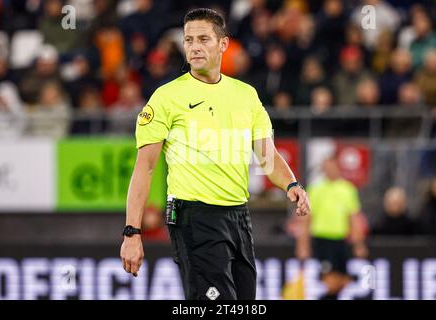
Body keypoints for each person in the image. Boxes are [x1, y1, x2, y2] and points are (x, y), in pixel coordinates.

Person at [120, 8, 310, 300]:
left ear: (223, 44)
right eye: (188, 40)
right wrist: (132, 231)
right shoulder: (166, 97)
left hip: (238, 216)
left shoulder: (245, 95)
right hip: (192, 215)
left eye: (204, 39)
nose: (194, 46)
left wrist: (292, 184)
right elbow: (144, 168)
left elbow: (267, 157)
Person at [294, 156, 367, 300]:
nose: (329, 170)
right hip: (322, 240)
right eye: (326, 168)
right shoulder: (316, 189)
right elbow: (306, 219)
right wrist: (302, 244)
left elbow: (354, 218)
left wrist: (359, 243)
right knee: (329, 280)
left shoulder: (348, 189)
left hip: (341, 240)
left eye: (331, 167)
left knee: (343, 279)